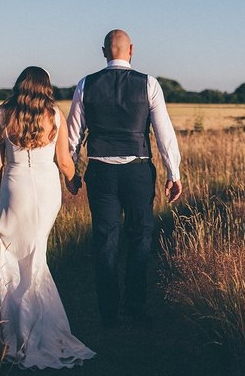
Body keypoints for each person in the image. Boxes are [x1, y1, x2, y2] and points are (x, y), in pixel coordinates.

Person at [67, 29, 182, 328]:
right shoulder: (149, 84)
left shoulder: (85, 84)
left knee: (105, 238)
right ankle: (134, 306)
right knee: (140, 236)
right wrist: (174, 172)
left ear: (104, 51)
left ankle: (108, 312)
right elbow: (163, 133)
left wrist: (71, 172)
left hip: (100, 171)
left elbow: (73, 135)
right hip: (137, 170)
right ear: (131, 49)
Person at [0, 66, 95, 369]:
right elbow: (64, 160)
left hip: (14, 186)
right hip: (47, 190)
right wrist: (74, 182)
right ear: (45, 86)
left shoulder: (1, 114)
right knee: (37, 254)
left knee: (10, 255)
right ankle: (35, 324)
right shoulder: (55, 115)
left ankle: (13, 327)